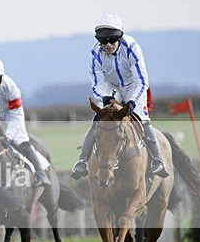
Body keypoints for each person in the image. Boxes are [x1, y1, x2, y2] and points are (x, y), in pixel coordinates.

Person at [71, 13, 169, 180]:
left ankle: (158, 160)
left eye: (112, 40)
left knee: (142, 119)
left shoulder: (132, 47)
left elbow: (141, 79)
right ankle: (82, 161)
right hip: (110, 87)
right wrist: (106, 98)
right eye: (103, 41)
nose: (108, 45)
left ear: (120, 37)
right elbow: (97, 83)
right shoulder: (94, 54)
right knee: (98, 119)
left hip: (133, 85)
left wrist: (132, 101)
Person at [0, 56, 52, 187]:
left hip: (11, 112)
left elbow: (16, 115)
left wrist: (9, 136)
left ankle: (40, 174)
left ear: (0, 77)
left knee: (20, 138)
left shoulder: (10, 86)